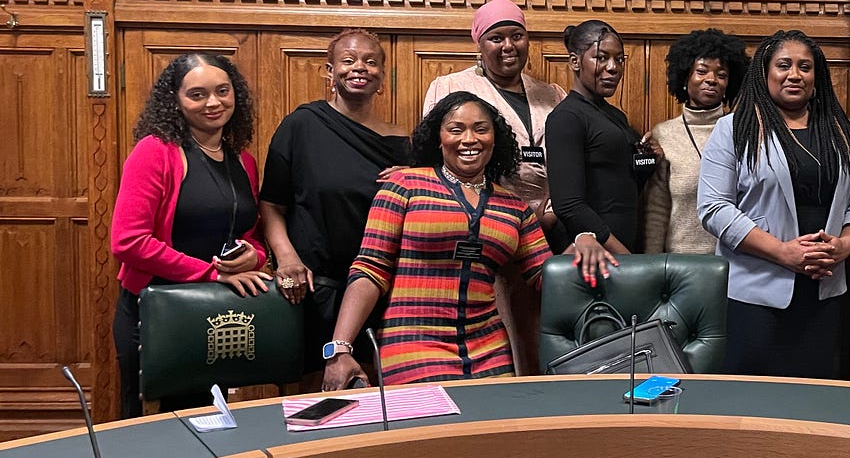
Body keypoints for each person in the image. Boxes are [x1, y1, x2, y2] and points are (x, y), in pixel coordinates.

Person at [322, 93, 551, 389]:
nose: (470, 139)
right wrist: (340, 348)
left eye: (481, 129)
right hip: (411, 346)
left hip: (490, 351)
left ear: (496, 138)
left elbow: (549, 277)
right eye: (456, 129)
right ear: (438, 138)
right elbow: (369, 270)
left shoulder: (514, 208)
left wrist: (584, 242)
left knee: (492, 432)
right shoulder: (405, 186)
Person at [698, 30, 850, 378]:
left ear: (817, 76)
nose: (795, 74)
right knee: (754, 411)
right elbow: (714, 208)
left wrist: (844, 246)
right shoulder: (733, 129)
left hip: (825, 291)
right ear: (765, 73)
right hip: (756, 295)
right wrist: (782, 252)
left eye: (805, 67)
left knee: (817, 405)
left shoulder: (842, 132)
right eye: (784, 65)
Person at [111, 53, 271, 417]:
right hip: (154, 312)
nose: (213, 103)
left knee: (206, 419)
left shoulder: (242, 160)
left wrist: (255, 256)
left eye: (222, 91)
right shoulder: (154, 151)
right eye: (197, 94)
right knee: (150, 432)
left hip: (213, 313)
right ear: (176, 100)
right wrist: (211, 273)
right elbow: (128, 241)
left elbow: (249, 233)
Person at [423, 0, 566, 371]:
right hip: (483, 229)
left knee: (539, 338)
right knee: (497, 340)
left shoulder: (553, 94)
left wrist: (545, 216)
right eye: (496, 37)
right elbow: (439, 161)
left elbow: (567, 165)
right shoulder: (450, 86)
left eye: (517, 36)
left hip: (549, 228)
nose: (508, 46)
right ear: (478, 43)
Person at [258, 30, 411, 362]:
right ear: (330, 72)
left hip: (383, 289)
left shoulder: (403, 143)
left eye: (371, 62)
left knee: (380, 393)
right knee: (319, 396)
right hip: (315, 288)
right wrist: (286, 259)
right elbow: (271, 204)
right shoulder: (302, 125)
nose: (360, 68)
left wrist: (412, 178)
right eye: (348, 60)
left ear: (382, 77)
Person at [545, 20, 659, 281]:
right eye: (601, 57)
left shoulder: (615, 116)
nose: (613, 68)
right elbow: (568, 205)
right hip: (595, 256)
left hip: (620, 251)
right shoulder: (566, 117)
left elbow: (620, 185)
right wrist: (624, 257)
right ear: (575, 61)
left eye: (619, 59)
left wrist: (647, 161)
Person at [642, 28, 750, 254]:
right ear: (684, 77)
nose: (712, 80)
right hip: (680, 263)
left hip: (736, 263)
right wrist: (652, 264)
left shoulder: (743, 131)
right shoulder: (664, 134)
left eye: (721, 75)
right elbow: (656, 210)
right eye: (701, 71)